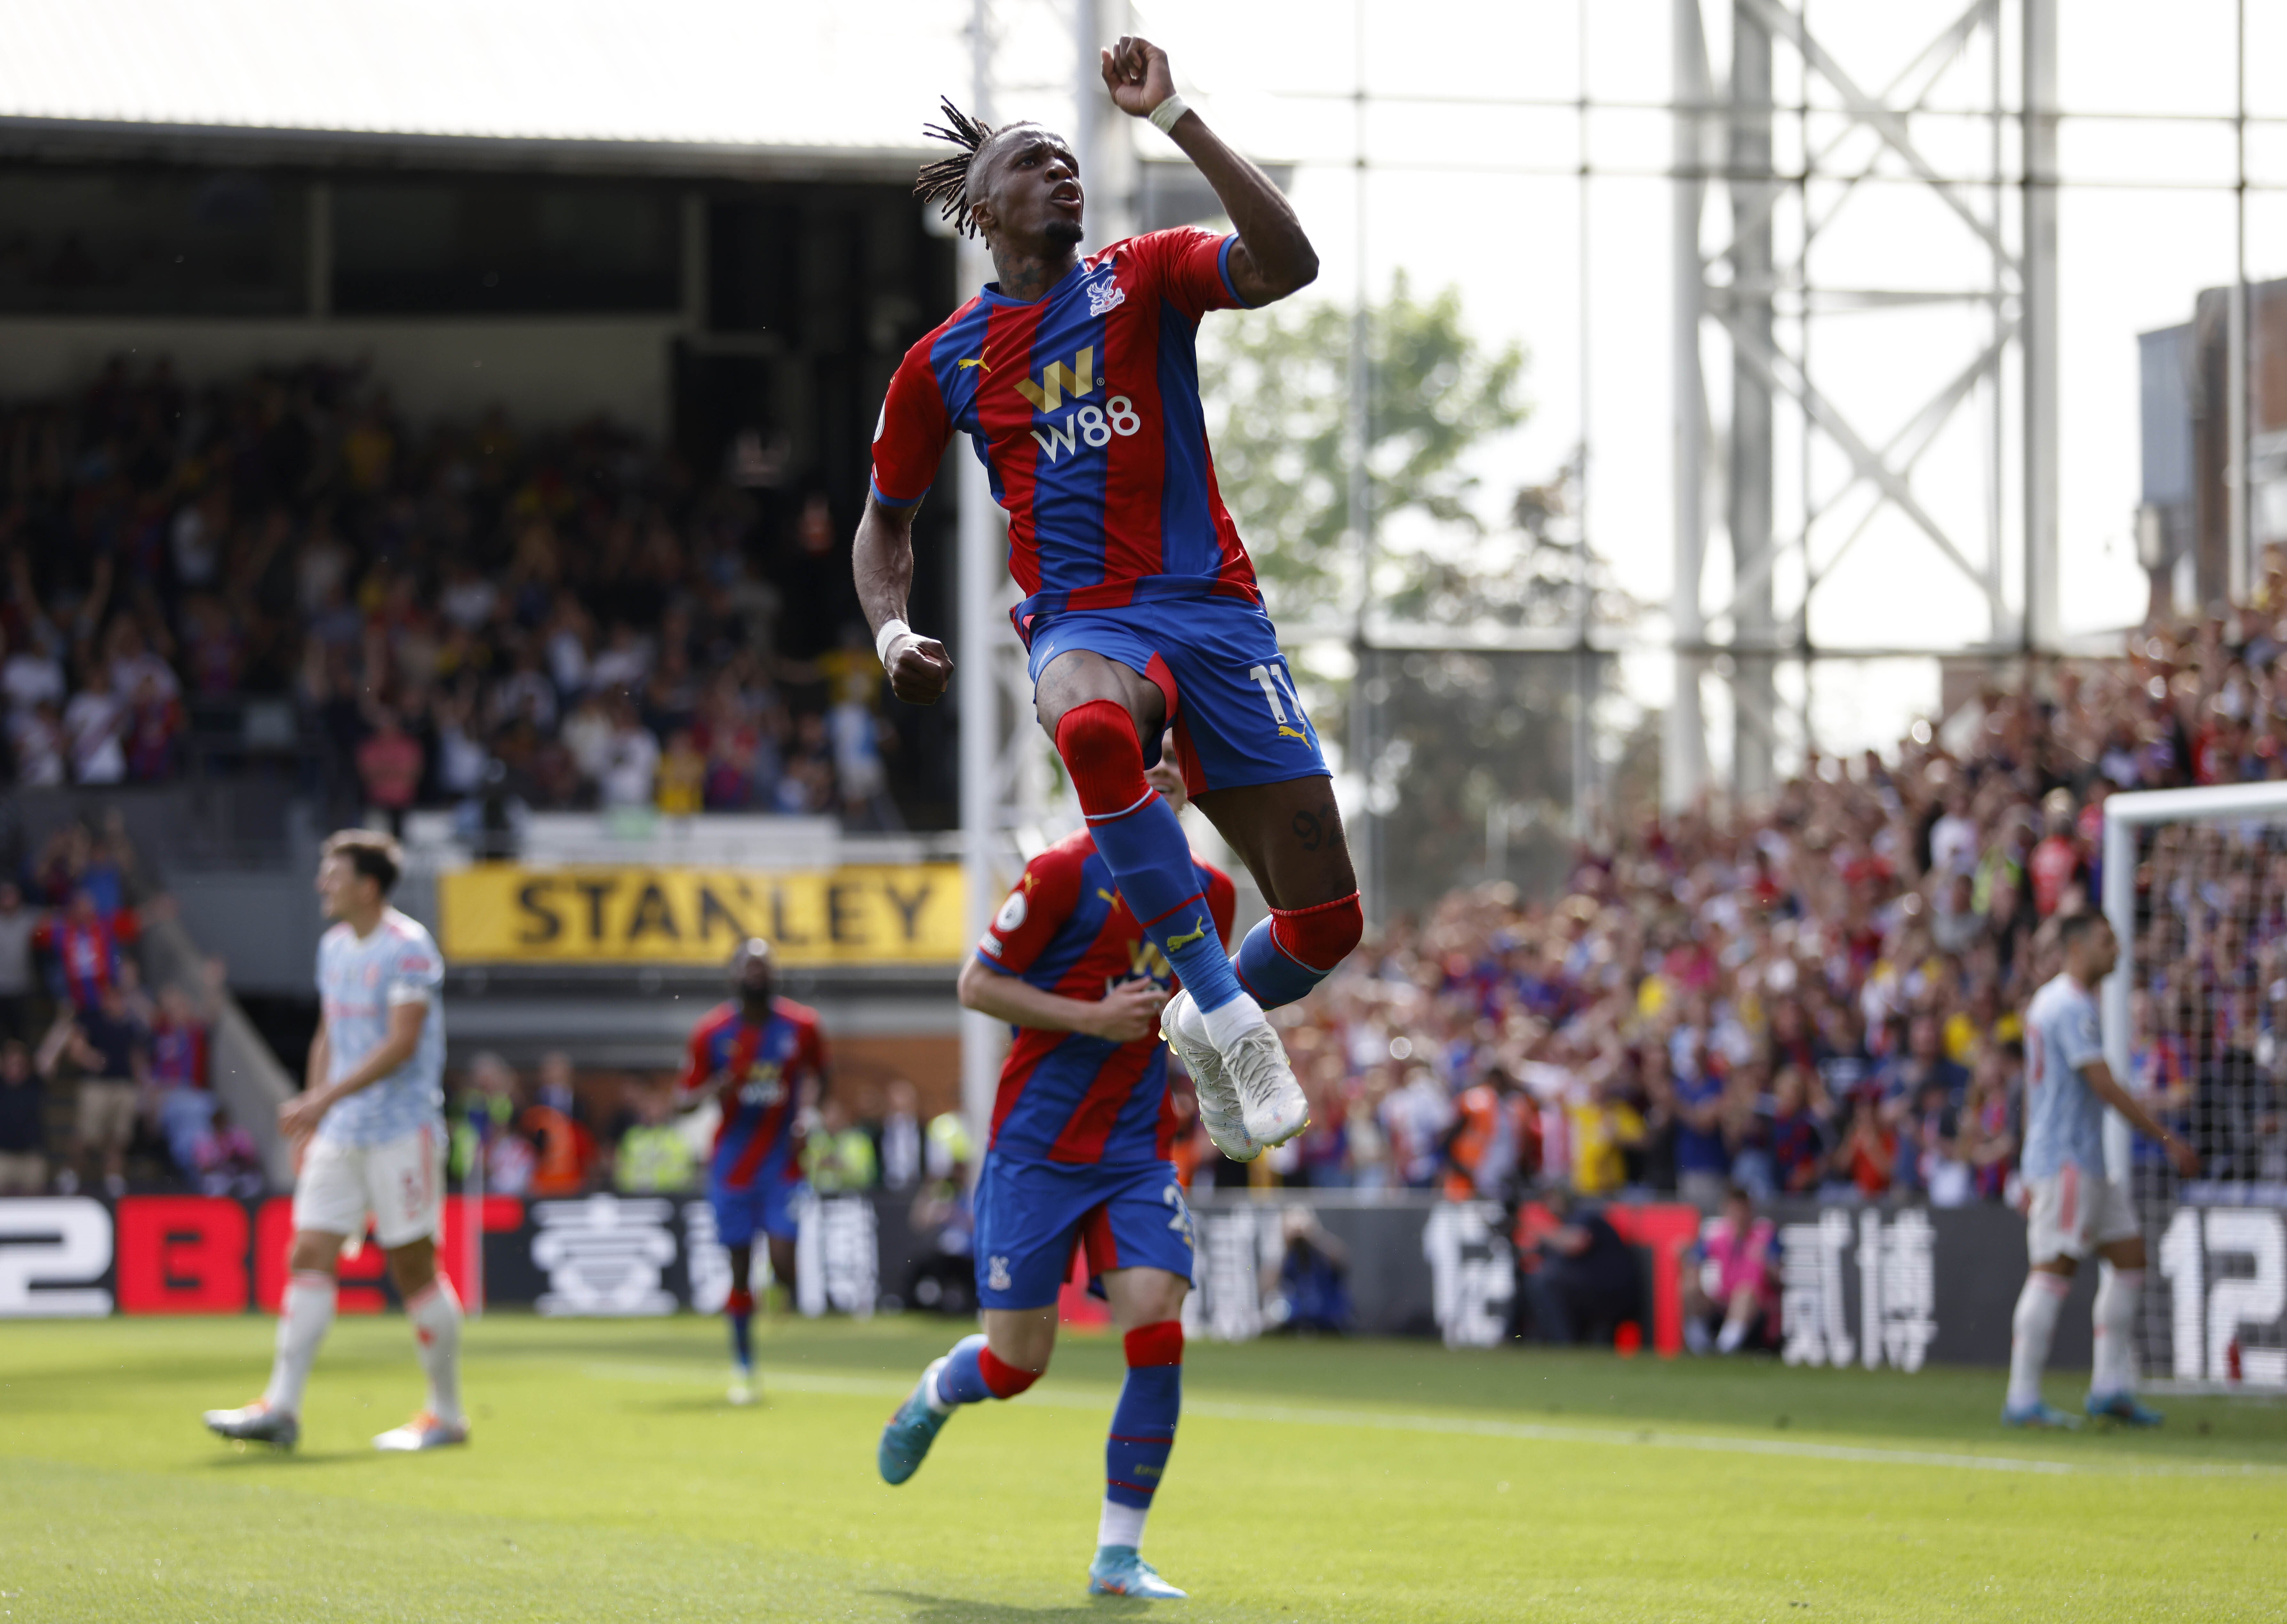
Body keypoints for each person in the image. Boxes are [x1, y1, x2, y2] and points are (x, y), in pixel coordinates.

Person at [854, 34, 1361, 1175]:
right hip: (1089, 621)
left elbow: (1289, 265)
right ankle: (1228, 1013)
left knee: (1329, 924)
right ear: (980, 206)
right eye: (1033, 161)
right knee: (1085, 721)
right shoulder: (944, 362)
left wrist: (1176, 114)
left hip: (1219, 615)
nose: (1062, 172)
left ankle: (1198, 1016)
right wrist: (892, 626)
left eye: (1066, 161)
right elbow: (885, 518)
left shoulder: (1144, 273)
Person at [877, 739, 1233, 1601]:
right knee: (1015, 1364)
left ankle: (1118, 1555)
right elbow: (976, 984)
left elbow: (1195, 1008)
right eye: (1140, 753)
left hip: (1134, 1148)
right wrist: (1092, 1015)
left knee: (1156, 1323)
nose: (1156, 768)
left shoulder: (1212, 894)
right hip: (1035, 1149)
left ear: (1192, 778)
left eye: (1172, 755)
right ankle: (937, 1387)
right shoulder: (1062, 873)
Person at [202, 830, 465, 1453]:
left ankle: (447, 1413)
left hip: (402, 1128)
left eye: (333, 874)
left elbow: (402, 1042)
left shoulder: (408, 948)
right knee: (308, 1250)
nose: (322, 883)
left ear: (367, 886)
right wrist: (317, 1112)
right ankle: (282, 1406)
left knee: (412, 1266)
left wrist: (324, 1098)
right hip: (344, 1130)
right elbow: (329, 1031)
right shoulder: (334, 947)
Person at [2003, 913, 2199, 1429]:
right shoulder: (2067, 1004)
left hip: (2080, 1158)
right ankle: (2022, 1396)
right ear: (2077, 945)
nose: (2116, 950)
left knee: (2130, 1255)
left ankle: (2109, 1386)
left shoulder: (2057, 1002)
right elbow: (2104, 1084)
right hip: (2066, 1161)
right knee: (2054, 1268)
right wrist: (2167, 1138)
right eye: (2106, 941)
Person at [675, 938, 828, 1407]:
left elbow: (820, 1076)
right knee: (738, 1268)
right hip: (733, 1166)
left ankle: (778, 1286)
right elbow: (682, 1098)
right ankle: (744, 1364)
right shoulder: (711, 1032)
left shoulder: (802, 1026)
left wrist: (808, 1115)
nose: (757, 973)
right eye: (749, 967)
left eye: (764, 966)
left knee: (784, 1257)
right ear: (734, 977)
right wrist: (710, 1090)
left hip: (783, 1161)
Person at [0, 1040, 46, 1194]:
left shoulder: (34, 1084)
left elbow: (49, 1056)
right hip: (3, 1157)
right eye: (12, 1063)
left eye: (20, 1064)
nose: (16, 1068)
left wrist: (64, 1023)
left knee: (34, 1203)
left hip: (30, 1158)